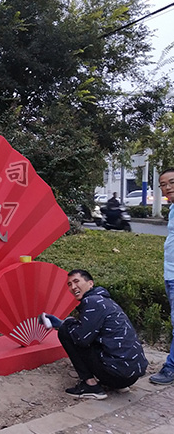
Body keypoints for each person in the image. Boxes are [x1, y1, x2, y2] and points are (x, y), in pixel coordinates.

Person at [42, 269, 147, 399]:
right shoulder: (105, 301)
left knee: (66, 332)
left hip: (117, 375)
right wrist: (63, 323)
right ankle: (118, 385)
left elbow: (81, 339)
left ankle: (90, 385)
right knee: (73, 329)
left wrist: (64, 325)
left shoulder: (92, 302)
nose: (73, 287)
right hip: (132, 375)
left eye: (76, 281)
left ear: (90, 283)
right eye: (69, 284)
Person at [150, 167, 174, 385]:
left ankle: (171, 368)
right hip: (171, 275)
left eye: (172, 182)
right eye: (163, 185)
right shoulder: (173, 208)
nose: (167, 188)